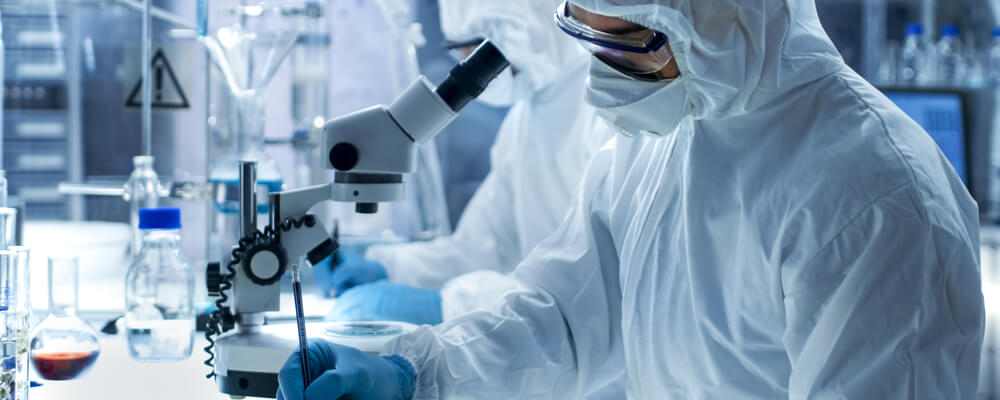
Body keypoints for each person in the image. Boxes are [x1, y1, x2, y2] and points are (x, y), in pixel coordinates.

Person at [279, 0, 986, 398]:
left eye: (626, 45)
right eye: (585, 38)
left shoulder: (872, 198)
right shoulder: (661, 135)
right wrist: (417, 371)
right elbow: (564, 317)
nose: (602, 82)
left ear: (717, 19)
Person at [319, 0, 611, 329]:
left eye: (472, 47)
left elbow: (589, 295)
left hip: (602, 374)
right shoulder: (524, 120)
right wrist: (388, 267)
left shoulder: (607, 111)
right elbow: (483, 248)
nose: (463, 62)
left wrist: (444, 306)